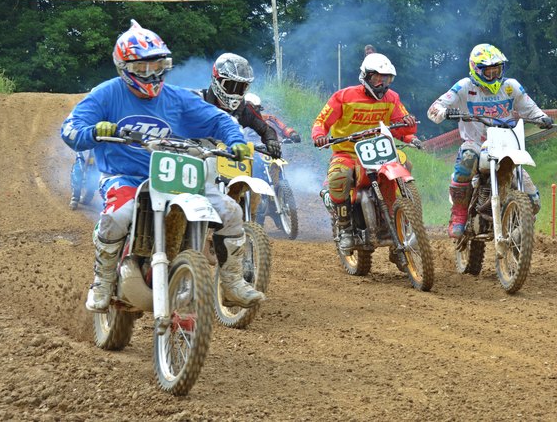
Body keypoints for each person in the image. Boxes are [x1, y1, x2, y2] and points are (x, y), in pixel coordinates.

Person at [61, 20, 265, 312]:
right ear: (125, 68)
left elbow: (219, 119)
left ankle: (231, 283)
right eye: (142, 68)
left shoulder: (177, 98)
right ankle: (103, 280)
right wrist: (93, 132)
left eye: (158, 65)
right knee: (118, 215)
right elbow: (71, 128)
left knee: (231, 211)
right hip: (126, 177)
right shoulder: (107, 94)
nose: (152, 74)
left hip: (177, 176)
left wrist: (234, 139)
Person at [427, 43, 553, 239]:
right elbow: (434, 108)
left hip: (506, 143)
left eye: (497, 70)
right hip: (475, 144)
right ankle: (459, 214)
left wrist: (542, 118)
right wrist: (444, 112)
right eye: (489, 71)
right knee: (467, 158)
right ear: (476, 70)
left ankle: (518, 225)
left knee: (533, 201)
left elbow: (531, 109)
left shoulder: (511, 87)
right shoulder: (463, 87)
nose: (494, 75)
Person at [312, 53, 421, 252]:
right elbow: (321, 121)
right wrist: (320, 135)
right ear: (365, 76)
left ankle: (397, 215)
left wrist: (409, 126)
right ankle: (344, 227)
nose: (381, 83)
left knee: (404, 165)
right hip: (347, 153)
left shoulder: (392, 98)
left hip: (380, 152)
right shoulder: (343, 97)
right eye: (377, 77)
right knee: (339, 177)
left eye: (386, 78)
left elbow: (399, 127)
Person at [196, 53, 282, 159]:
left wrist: (272, 141)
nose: (235, 92)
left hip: (229, 161)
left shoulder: (246, 111)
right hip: (195, 157)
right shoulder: (197, 100)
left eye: (241, 87)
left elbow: (266, 129)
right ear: (216, 80)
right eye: (230, 86)